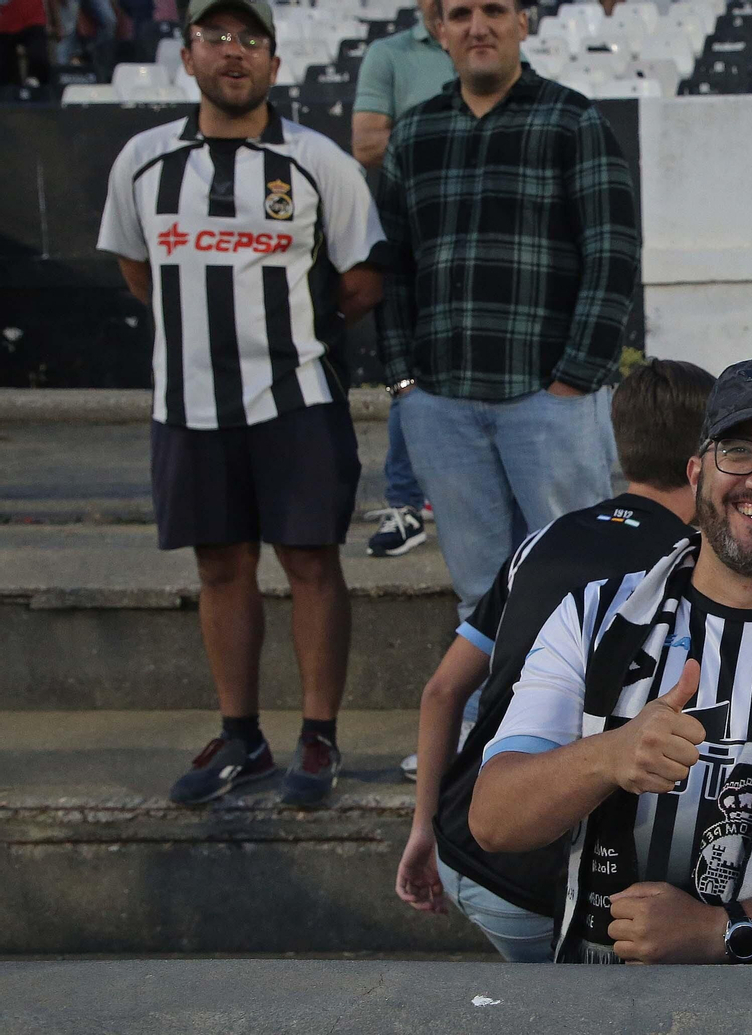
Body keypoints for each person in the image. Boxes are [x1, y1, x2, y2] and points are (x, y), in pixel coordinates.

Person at [471, 353, 752, 965]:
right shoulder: (596, 616)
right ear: (695, 471)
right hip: (606, 1003)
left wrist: (720, 932)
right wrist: (607, 756)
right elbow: (495, 820)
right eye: (737, 451)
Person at [97, 0, 387, 807]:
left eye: (251, 39)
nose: (235, 52)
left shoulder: (316, 160)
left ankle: (319, 736)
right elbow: (135, 268)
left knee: (310, 563)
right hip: (187, 403)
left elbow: (363, 275)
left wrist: (289, 329)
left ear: (274, 62)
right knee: (221, 566)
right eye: (216, 37)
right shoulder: (143, 160)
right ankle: (241, 735)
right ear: (187, 56)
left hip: (296, 398)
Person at [394, 358, 715, 962]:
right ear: (707, 454)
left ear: (621, 440)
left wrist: (423, 827)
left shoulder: (543, 539)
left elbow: (441, 691)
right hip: (542, 873)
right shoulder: (691, 565)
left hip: (460, 845)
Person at [377, 0, 638, 627]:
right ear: (439, 31)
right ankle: (493, 721)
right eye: (460, 13)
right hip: (442, 407)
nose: (477, 26)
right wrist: (405, 384)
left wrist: (576, 375)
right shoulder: (414, 135)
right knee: (479, 595)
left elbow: (614, 253)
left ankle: (590, 720)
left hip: (548, 401)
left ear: (522, 22)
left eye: (493, 9)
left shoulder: (572, 120)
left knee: (586, 586)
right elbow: (392, 267)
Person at [351, 0, 454, 559]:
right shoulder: (390, 54)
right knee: (408, 376)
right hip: (414, 232)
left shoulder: (483, 38)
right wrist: (452, 143)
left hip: (478, 238)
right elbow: (366, 144)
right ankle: (406, 502)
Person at [0, 0, 54, 89]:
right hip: (5, 22)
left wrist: (53, 21)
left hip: (33, 19)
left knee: (39, 57)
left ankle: (41, 87)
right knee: (4, 67)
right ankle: (11, 91)